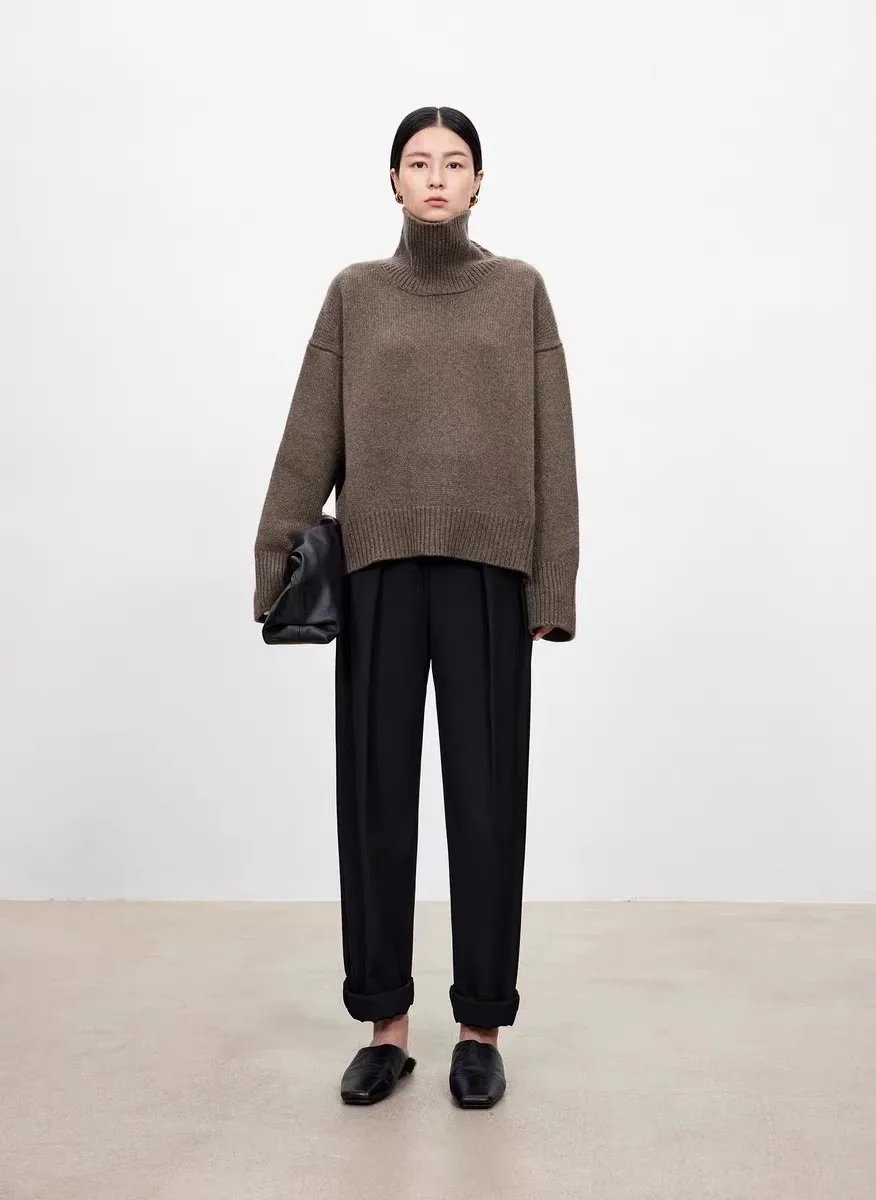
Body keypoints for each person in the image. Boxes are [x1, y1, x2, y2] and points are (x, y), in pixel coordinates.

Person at [252, 106, 579, 1108]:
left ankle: (480, 1027)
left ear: (480, 181)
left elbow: (554, 448)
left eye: (455, 162)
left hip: (490, 577)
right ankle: (385, 1027)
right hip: (379, 573)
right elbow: (310, 435)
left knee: (486, 807)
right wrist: (275, 557)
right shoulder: (356, 295)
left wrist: (554, 584)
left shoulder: (519, 291)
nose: (436, 177)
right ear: (392, 180)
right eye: (418, 162)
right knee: (377, 803)